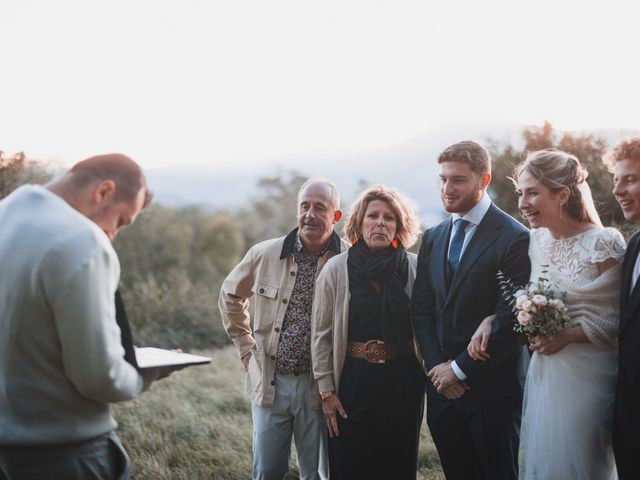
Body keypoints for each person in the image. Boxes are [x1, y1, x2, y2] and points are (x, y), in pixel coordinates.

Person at [0, 154, 169, 480]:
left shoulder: (5, 213)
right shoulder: (81, 241)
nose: (111, 235)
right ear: (104, 191)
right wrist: (146, 374)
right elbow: (99, 378)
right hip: (64, 453)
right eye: (121, 221)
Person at [469, 149, 624, 479]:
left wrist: (567, 335)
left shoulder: (604, 243)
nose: (523, 203)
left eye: (533, 192)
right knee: (548, 462)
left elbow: (620, 321)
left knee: (585, 463)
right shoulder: (535, 242)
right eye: (521, 193)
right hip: (548, 371)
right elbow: (523, 297)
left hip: (592, 375)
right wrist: (492, 318)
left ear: (562, 194)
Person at [412, 140, 530, 480]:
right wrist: (438, 369)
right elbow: (422, 308)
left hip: (492, 392)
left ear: (484, 180)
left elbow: (510, 319)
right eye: (443, 179)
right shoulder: (433, 236)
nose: (447, 188)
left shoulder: (514, 237)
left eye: (458, 180)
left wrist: (460, 371)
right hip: (441, 393)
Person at [218, 177, 347, 480]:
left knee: (316, 474)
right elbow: (230, 295)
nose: (310, 214)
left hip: (320, 388)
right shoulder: (264, 254)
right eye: (304, 206)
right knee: (267, 471)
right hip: (269, 382)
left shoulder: (348, 261)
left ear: (335, 216)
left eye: (320, 208)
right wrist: (245, 348)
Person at [311, 185, 424, 479]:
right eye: (373, 216)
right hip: (352, 382)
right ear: (360, 223)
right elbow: (321, 335)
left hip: (403, 381)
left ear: (399, 227)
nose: (380, 223)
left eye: (389, 217)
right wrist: (326, 392)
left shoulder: (414, 268)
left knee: (397, 467)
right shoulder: (337, 269)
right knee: (349, 466)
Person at [608, 137, 640, 479]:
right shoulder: (633, 245)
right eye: (616, 180)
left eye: (629, 179)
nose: (618, 190)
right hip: (630, 419)